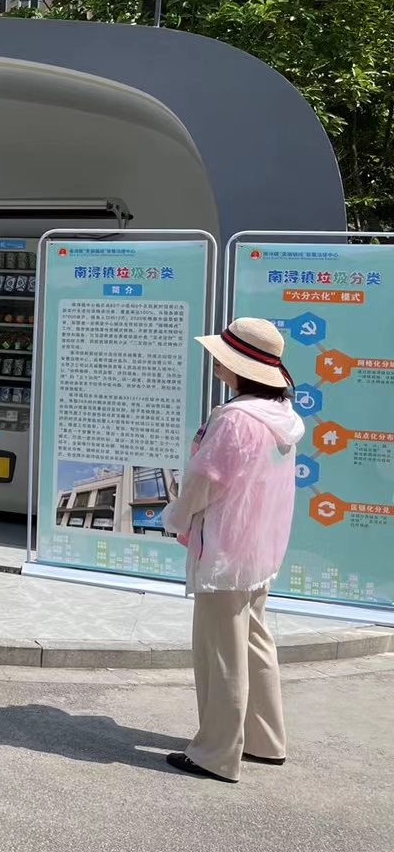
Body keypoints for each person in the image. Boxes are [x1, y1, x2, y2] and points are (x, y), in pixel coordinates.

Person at [162, 318, 304, 784]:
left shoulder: (235, 418)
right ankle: (266, 739)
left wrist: (177, 517)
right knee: (255, 640)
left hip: (225, 548)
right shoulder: (281, 415)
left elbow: (206, 480)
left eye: (223, 358)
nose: (217, 363)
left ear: (240, 367)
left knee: (220, 651)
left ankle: (216, 753)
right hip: (261, 547)